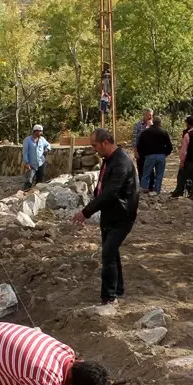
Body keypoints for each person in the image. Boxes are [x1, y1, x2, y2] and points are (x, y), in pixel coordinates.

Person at [72, 128, 139, 306]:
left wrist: (85, 212)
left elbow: (110, 192)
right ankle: (117, 289)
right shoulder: (109, 160)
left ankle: (109, 297)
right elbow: (103, 188)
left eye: (95, 145)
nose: (93, 149)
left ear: (105, 143)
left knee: (108, 254)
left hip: (122, 216)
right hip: (110, 214)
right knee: (112, 253)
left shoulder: (121, 162)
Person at [135, 117, 173, 196]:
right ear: (160, 123)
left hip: (149, 156)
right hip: (161, 156)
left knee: (146, 174)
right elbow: (169, 146)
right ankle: (156, 191)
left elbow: (139, 145)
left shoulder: (145, 132)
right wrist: (165, 153)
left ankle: (144, 190)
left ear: (153, 122)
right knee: (159, 175)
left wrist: (143, 154)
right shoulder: (164, 132)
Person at [22, 125, 51, 191]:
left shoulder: (42, 139)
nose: (41, 133)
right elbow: (25, 152)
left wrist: (47, 149)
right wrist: (26, 162)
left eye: (41, 131)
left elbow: (48, 145)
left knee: (39, 180)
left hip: (41, 163)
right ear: (35, 131)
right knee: (29, 180)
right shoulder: (27, 140)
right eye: (40, 131)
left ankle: (36, 194)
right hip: (31, 164)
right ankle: (24, 194)